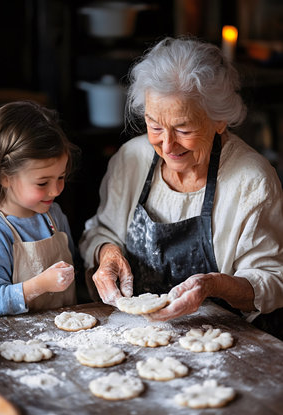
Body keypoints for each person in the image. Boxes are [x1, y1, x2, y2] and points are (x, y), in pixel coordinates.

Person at [79, 37, 283, 338]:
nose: (168, 144)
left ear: (219, 120)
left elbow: (271, 281)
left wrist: (210, 285)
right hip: (136, 334)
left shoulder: (252, 181)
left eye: (183, 129)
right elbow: (101, 230)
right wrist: (107, 254)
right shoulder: (131, 159)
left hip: (226, 344)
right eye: (155, 126)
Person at [0, 101, 78, 318]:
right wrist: (39, 285)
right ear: (4, 177)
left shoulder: (54, 216)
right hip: (17, 341)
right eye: (42, 183)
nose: (55, 190)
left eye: (61, 177)